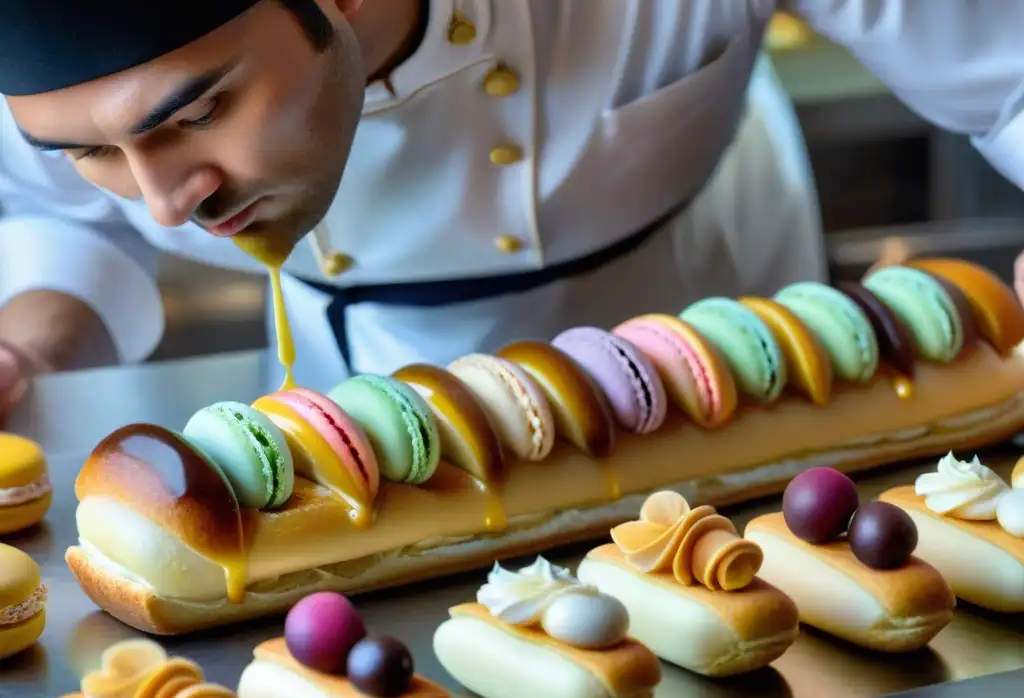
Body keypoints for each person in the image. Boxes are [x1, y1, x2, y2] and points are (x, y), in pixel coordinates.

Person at [3, 2, 1024, 424]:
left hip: (732, 373)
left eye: (205, 111)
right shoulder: (65, 96)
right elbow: (50, 222)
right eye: (93, 151)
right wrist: (31, 350)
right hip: (356, 418)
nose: (165, 207)